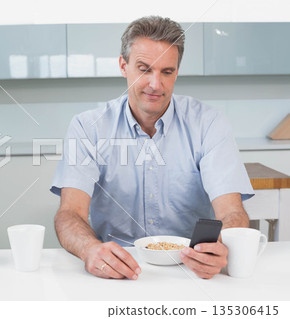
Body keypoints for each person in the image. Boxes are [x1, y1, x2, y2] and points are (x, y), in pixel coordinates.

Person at [50, 16, 254, 280]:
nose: (155, 84)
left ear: (176, 72)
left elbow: (232, 212)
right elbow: (69, 213)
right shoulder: (88, 127)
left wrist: (220, 247)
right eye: (145, 69)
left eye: (166, 72)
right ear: (124, 66)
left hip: (191, 270)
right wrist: (90, 249)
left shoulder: (209, 124)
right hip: (115, 268)